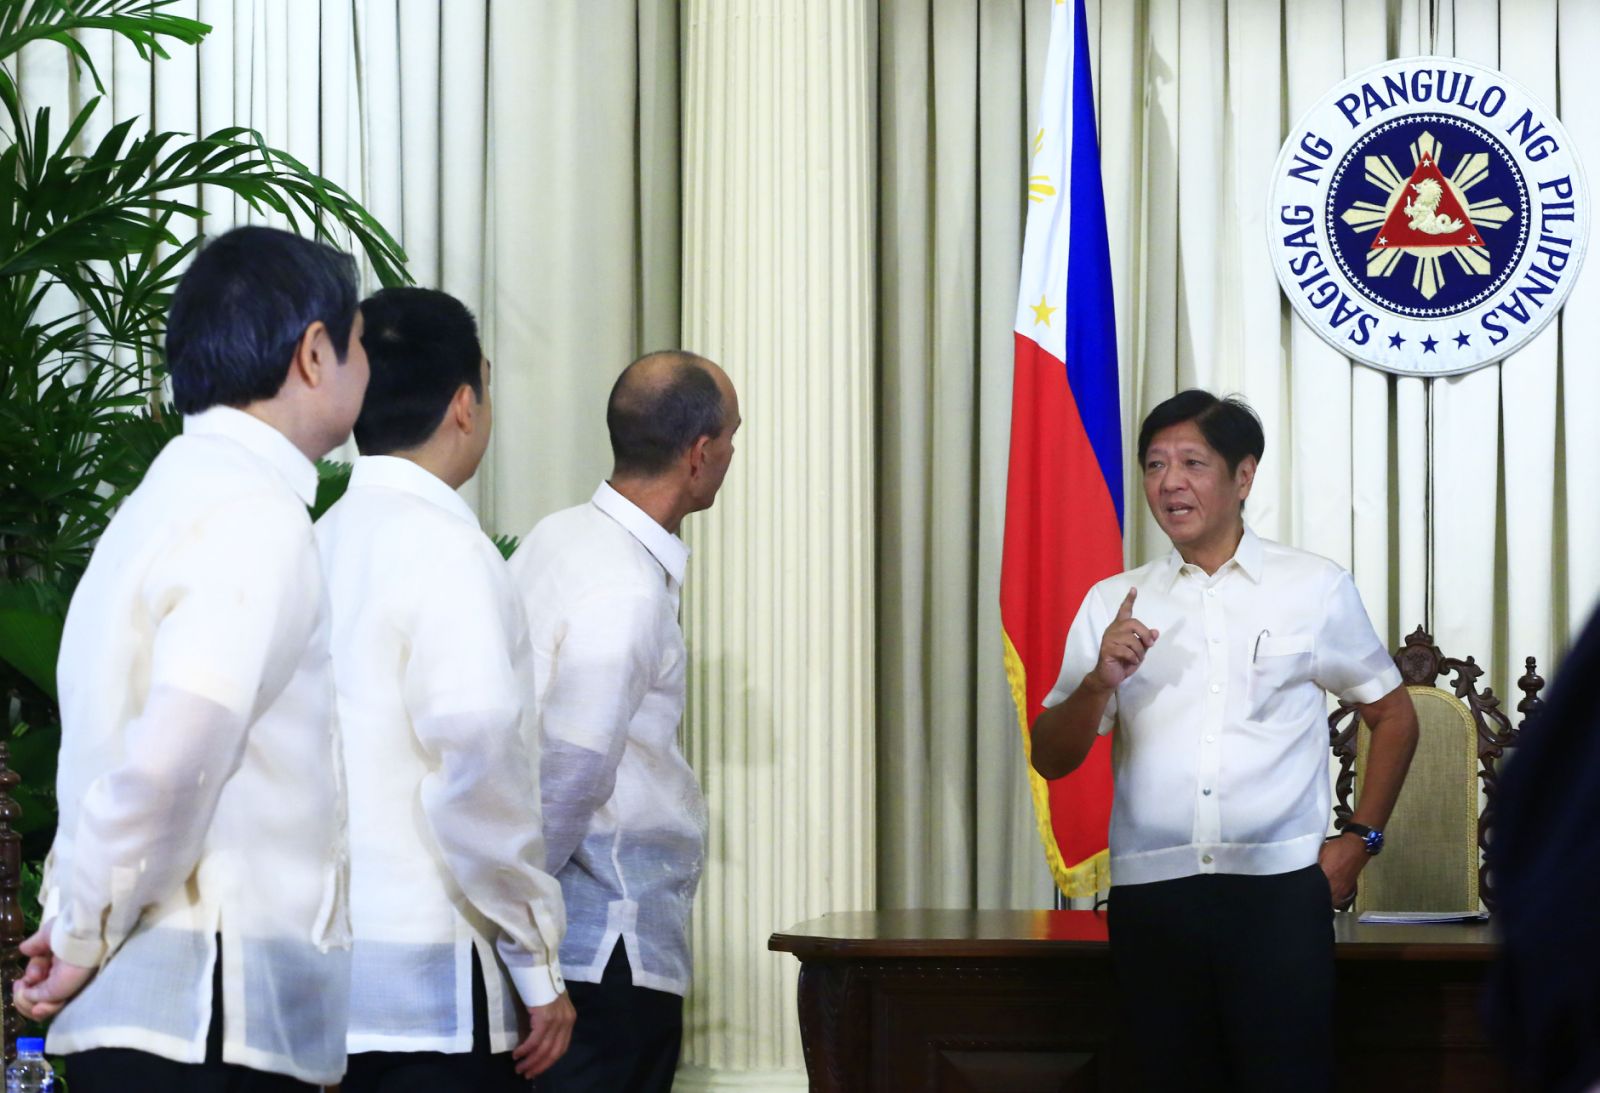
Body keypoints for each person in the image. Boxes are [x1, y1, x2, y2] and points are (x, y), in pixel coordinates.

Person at [13, 226, 368, 1090]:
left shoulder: (165, 497)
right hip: (208, 1014)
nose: (368, 370)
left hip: (164, 1010)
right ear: (315, 354)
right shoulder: (252, 513)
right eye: (359, 345)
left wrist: (77, 917)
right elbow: (177, 754)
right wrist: (84, 929)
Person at [1030, 389, 1418, 1093]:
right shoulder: (1115, 601)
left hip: (1279, 894)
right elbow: (1050, 757)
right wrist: (1097, 682)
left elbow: (1394, 715)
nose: (1169, 481)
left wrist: (1357, 841)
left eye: (1191, 462)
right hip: (1155, 900)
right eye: (1153, 464)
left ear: (1244, 476)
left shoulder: (1313, 586)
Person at [315, 287, 574, 1091]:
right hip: (433, 992)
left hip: (319, 982)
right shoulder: (451, 553)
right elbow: (478, 765)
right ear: (466, 402)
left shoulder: (313, 543)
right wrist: (537, 963)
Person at [512, 351, 740, 1092]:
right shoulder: (626, 590)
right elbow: (565, 780)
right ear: (701, 454)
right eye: (733, 438)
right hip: (600, 949)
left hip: (564, 947)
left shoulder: (557, 535)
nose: (733, 454)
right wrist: (524, 945)